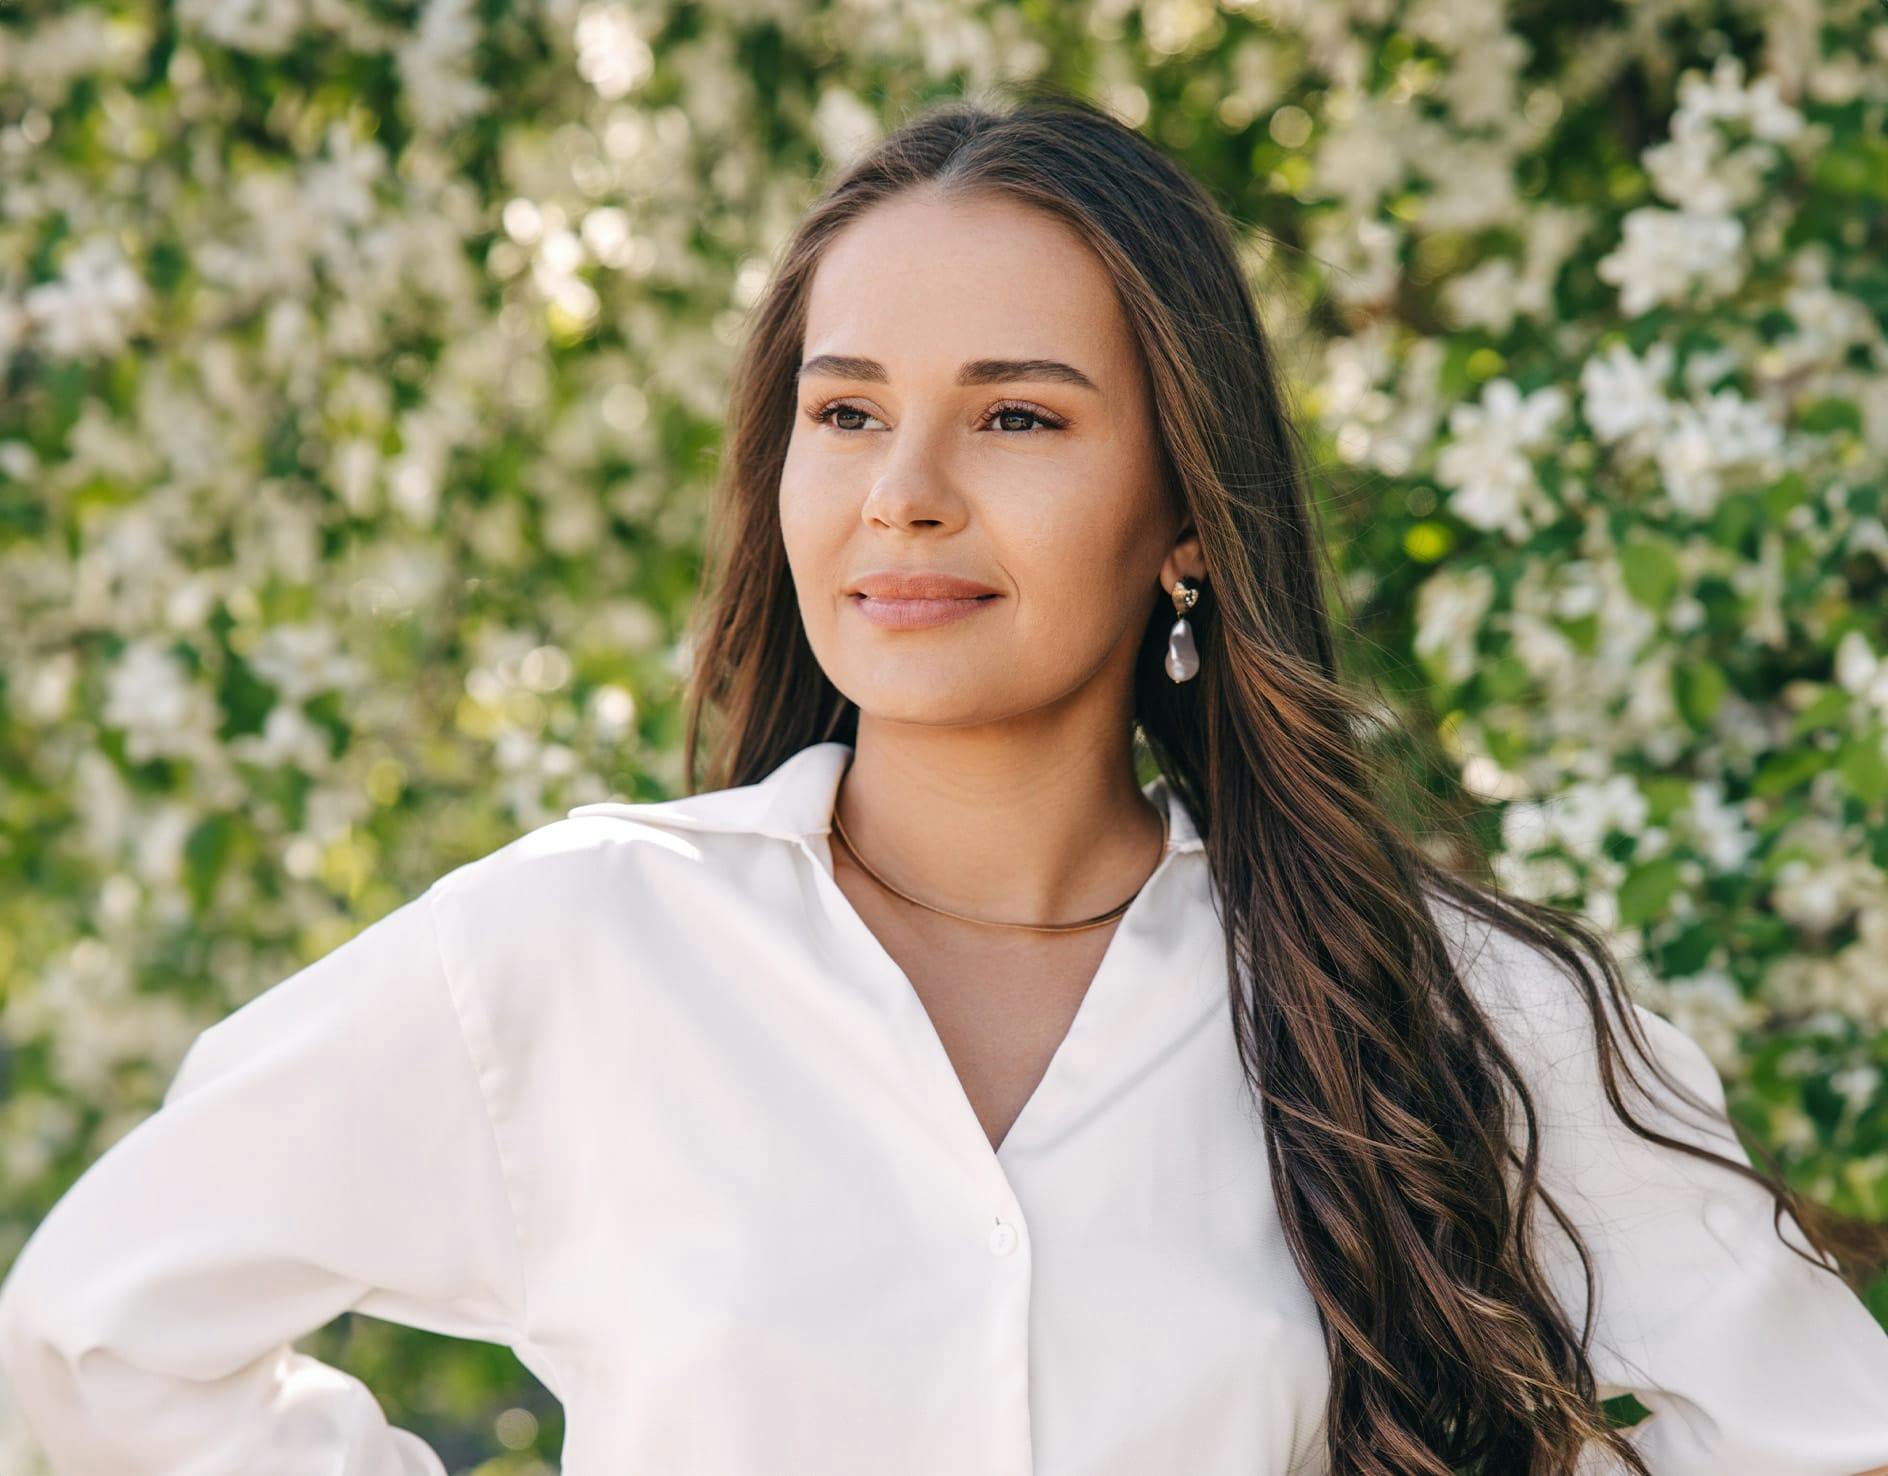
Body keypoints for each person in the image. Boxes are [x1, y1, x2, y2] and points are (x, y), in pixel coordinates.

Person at [3, 88, 1887, 1476]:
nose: (903, 484)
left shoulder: (1452, 1006)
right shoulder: (580, 944)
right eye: (843, 411)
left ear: (1185, 511)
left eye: (1015, 414)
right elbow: (87, 1350)